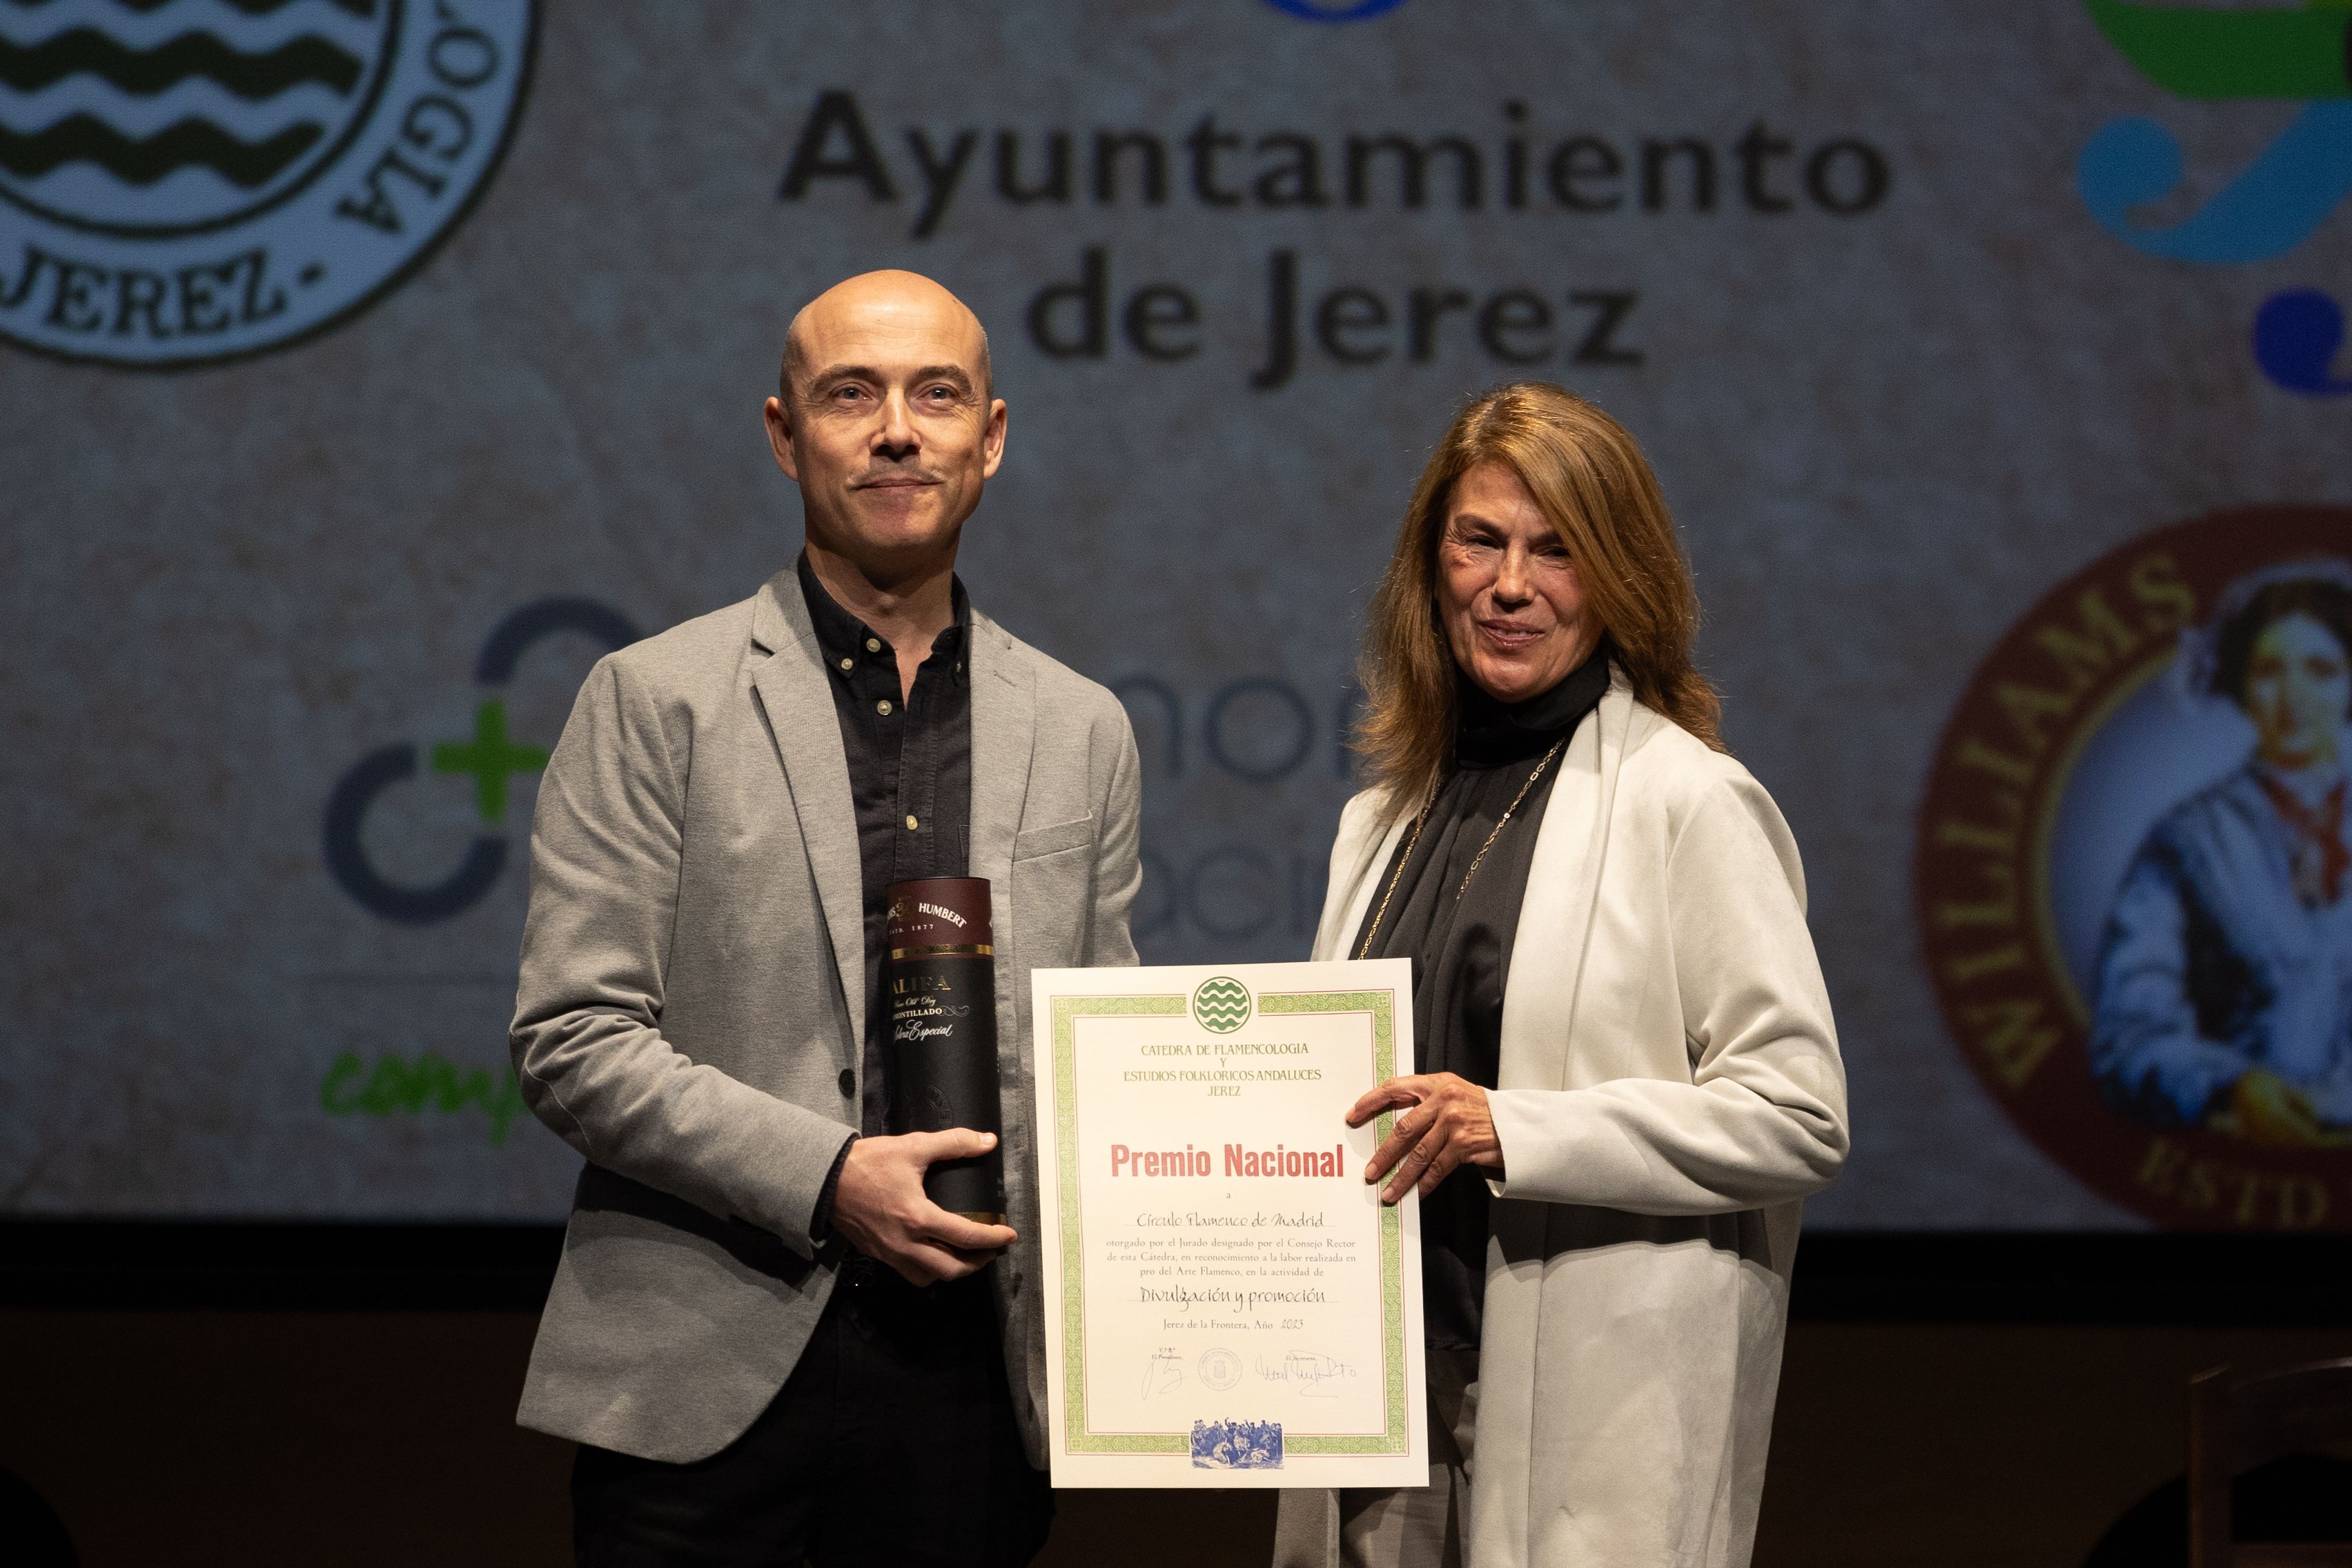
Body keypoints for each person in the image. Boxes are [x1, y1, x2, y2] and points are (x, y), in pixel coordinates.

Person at [508, 270, 1142, 1566]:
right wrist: (829, 1178)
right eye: (850, 394)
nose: (896, 428)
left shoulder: (1083, 728)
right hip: (703, 1377)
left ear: (993, 436)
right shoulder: (652, 699)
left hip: (973, 1383)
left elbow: (1105, 1060)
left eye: (937, 394)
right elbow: (573, 1036)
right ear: (784, 434)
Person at [1273, 382, 1848, 1568]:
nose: (1510, 585)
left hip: (1578, 1412)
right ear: (1430, 565)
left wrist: (1512, 1131)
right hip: (1376, 1408)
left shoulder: (1687, 801)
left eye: (1557, 550)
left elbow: (1797, 1114)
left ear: (1619, 577)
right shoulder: (1380, 818)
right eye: (1478, 540)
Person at [2092, 565, 2352, 1146]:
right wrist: (2232, 1087)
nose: (2295, 700)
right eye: (2268, 673)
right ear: (2239, 685)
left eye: (2322, 671)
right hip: (2251, 1153)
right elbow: (2129, 1034)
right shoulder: (2187, 840)